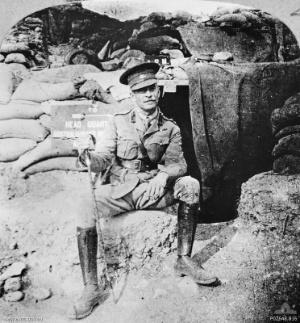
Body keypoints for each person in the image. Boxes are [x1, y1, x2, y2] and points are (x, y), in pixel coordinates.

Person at [69, 62, 219, 319]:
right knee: (84, 204)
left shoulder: (170, 128)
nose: (148, 94)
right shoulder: (116, 123)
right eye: (142, 90)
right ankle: (91, 288)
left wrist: (163, 176)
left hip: (154, 190)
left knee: (190, 185)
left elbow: (179, 164)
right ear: (132, 95)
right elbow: (103, 157)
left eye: (152, 88)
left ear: (159, 91)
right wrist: (87, 157)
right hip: (122, 191)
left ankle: (184, 259)